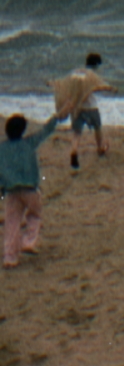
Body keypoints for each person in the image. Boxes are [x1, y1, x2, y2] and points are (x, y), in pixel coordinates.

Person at [0, 110, 68, 268]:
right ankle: (28, 242)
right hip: (30, 188)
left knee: (12, 222)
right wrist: (56, 118)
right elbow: (44, 132)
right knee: (35, 215)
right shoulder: (28, 143)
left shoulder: (2, 149)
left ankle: (10, 257)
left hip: (11, 190)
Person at [53, 53, 116, 171]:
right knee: (97, 127)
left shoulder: (75, 73)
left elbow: (65, 84)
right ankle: (100, 148)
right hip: (90, 107)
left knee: (77, 133)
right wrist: (111, 89)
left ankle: (74, 151)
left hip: (76, 107)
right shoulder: (92, 75)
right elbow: (99, 86)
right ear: (96, 65)